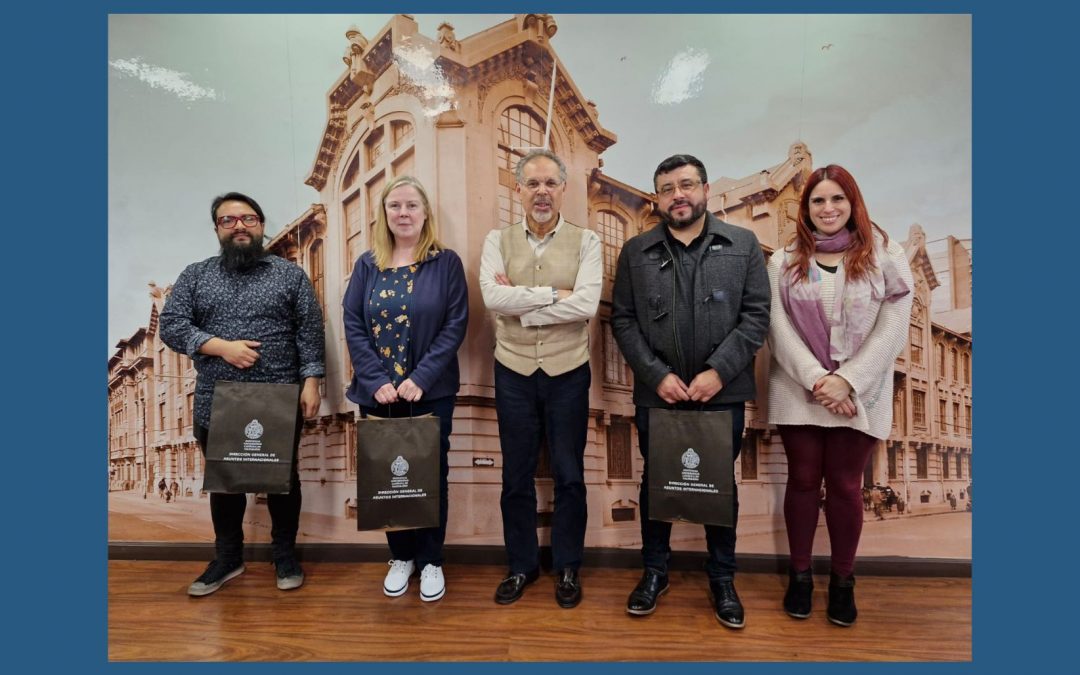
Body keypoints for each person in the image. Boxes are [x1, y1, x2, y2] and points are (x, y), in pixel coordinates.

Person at [611, 154, 770, 629]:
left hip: (721, 392)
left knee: (720, 487)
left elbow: (757, 316)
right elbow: (622, 319)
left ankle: (722, 578)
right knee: (655, 483)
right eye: (666, 188)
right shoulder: (636, 250)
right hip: (657, 393)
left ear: (704, 190)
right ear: (658, 198)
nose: (677, 194)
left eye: (686, 185)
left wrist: (719, 372)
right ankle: (653, 572)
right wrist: (655, 373)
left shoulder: (742, 245)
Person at [767, 164, 913, 627]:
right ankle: (801, 575)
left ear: (853, 203)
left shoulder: (885, 255)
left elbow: (893, 328)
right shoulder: (784, 260)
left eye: (837, 200)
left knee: (848, 486)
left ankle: (843, 581)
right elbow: (777, 328)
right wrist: (817, 379)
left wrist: (848, 380)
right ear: (806, 209)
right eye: (817, 201)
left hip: (861, 392)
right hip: (797, 388)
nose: (827, 209)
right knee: (804, 482)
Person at [160, 191, 325, 597]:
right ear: (217, 229)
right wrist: (221, 347)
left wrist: (312, 381)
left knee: (283, 481)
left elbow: (309, 330)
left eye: (248, 219)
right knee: (226, 482)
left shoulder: (290, 275)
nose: (239, 226)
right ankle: (228, 558)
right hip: (217, 400)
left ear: (261, 225)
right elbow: (172, 325)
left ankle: (284, 556)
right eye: (228, 220)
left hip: (279, 397)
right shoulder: (196, 275)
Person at [479, 149, 602, 608]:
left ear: (563, 188)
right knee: (516, 475)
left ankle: (568, 566)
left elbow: (586, 305)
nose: (542, 192)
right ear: (519, 191)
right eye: (533, 184)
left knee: (570, 474)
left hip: (569, 370)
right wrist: (554, 294)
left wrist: (523, 306)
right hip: (512, 370)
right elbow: (492, 296)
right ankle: (521, 566)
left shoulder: (587, 241)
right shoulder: (497, 239)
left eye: (550, 183)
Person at [343, 175, 468, 603]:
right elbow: (353, 324)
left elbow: (455, 325)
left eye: (412, 205)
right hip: (376, 394)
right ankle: (401, 557)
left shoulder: (445, 262)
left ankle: (431, 560)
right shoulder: (367, 265)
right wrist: (377, 381)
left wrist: (422, 378)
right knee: (387, 478)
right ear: (384, 214)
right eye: (394, 206)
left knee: (431, 476)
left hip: (429, 393)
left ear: (425, 212)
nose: (403, 213)